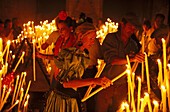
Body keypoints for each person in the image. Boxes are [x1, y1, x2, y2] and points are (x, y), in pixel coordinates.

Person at [37, 22, 112, 112]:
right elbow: (66, 83)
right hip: (64, 100)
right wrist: (94, 80)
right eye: (91, 38)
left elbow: (73, 78)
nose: (93, 42)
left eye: (94, 39)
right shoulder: (75, 55)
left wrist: (89, 82)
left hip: (64, 95)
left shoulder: (77, 53)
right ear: (80, 36)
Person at [96, 13, 145, 112]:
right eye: (129, 26)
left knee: (118, 109)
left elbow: (135, 65)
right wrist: (131, 59)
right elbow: (112, 60)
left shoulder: (133, 44)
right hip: (106, 82)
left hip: (123, 85)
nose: (131, 30)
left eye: (133, 28)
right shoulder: (111, 38)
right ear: (122, 24)